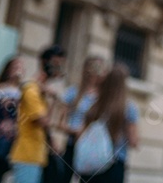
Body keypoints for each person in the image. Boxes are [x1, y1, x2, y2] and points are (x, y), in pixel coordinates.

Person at [9, 45, 65, 183]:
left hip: (37, 156)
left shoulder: (40, 92)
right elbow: (43, 120)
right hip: (27, 155)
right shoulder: (31, 90)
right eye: (56, 64)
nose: (59, 68)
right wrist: (52, 98)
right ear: (44, 63)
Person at [79, 64, 139, 183]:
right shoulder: (128, 108)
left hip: (91, 164)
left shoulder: (93, 103)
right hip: (114, 164)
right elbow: (133, 141)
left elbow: (81, 133)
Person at [58, 55, 107, 183]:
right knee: (64, 177)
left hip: (92, 147)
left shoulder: (104, 97)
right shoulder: (73, 92)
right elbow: (60, 122)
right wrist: (74, 130)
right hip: (73, 143)